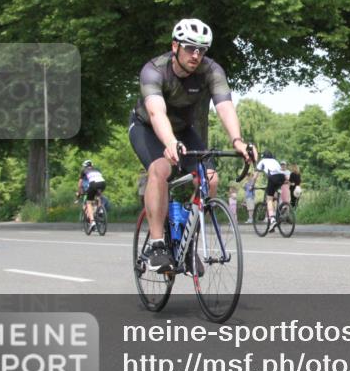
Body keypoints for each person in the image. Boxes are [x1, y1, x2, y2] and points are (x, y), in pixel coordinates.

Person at [128, 18, 255, 273]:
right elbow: (156, 114)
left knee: (211, 179)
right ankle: (157, 245)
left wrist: (238, 141)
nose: (196, 55)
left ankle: (186, 243)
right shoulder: (154, 70)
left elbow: (225, 106)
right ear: (175, 46)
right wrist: (170, 142)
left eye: (202, 50)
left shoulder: (211, 70)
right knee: (161, 170)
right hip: (148, 128)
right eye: (189, 48)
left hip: (184, 130)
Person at [256, 151, 286, 228]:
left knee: (269, 199)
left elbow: (256, 174)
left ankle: (272, 219)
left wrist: (251, 185)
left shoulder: (263, 161)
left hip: (273, 178)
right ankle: (281, 208)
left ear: (264, 156)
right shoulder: (275, 161)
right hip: (282, 177)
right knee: (274, 194)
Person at [76, 160, 106, 234]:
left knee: (88, 202)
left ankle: (92, 222)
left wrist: (79, 192)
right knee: (98, 196)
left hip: (93, 184)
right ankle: (100, 210)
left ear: (84, 166)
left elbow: (80, 184)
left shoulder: (84, 171)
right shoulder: (96, 170)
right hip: (103, 183)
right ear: (91, 165)